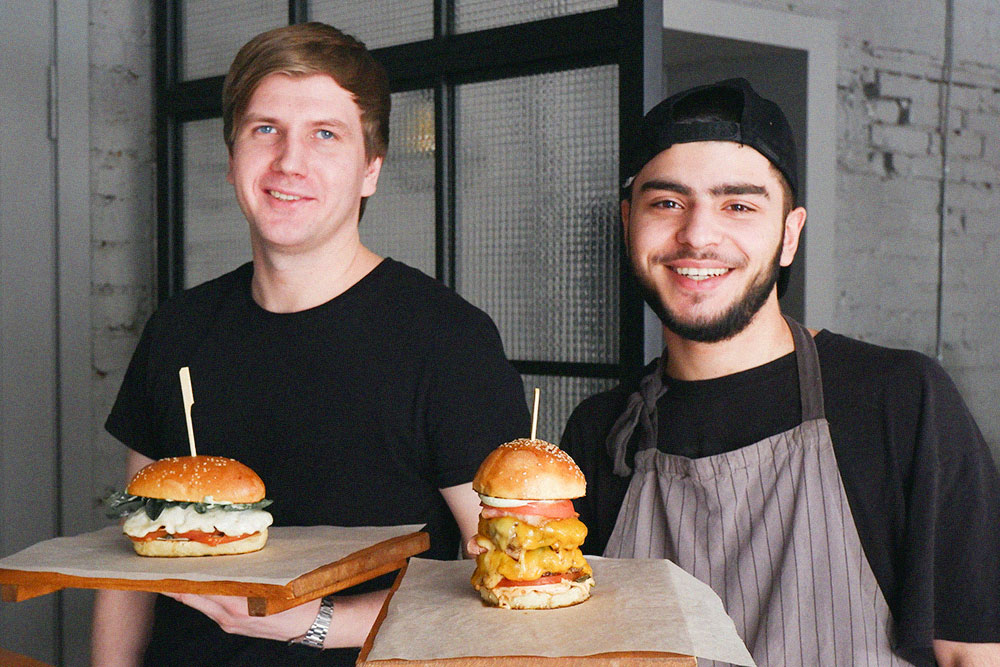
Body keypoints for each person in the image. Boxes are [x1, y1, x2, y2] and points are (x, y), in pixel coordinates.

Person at [91, 22, 530, 666]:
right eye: (264, 129)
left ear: (370, 170)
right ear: (234, 155)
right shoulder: (177, 330)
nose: (289, 161)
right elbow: (130, 569)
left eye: (325, 134)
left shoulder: (448, 341)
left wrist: (316, 620)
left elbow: (509, 584)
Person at [560, 78, 1000, 666]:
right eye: (667, 203)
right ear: (627, 222)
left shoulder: (899, 401)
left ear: (789, 235)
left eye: (738, 205)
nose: (697, 234)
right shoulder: (600, 432)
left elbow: (972, 656)